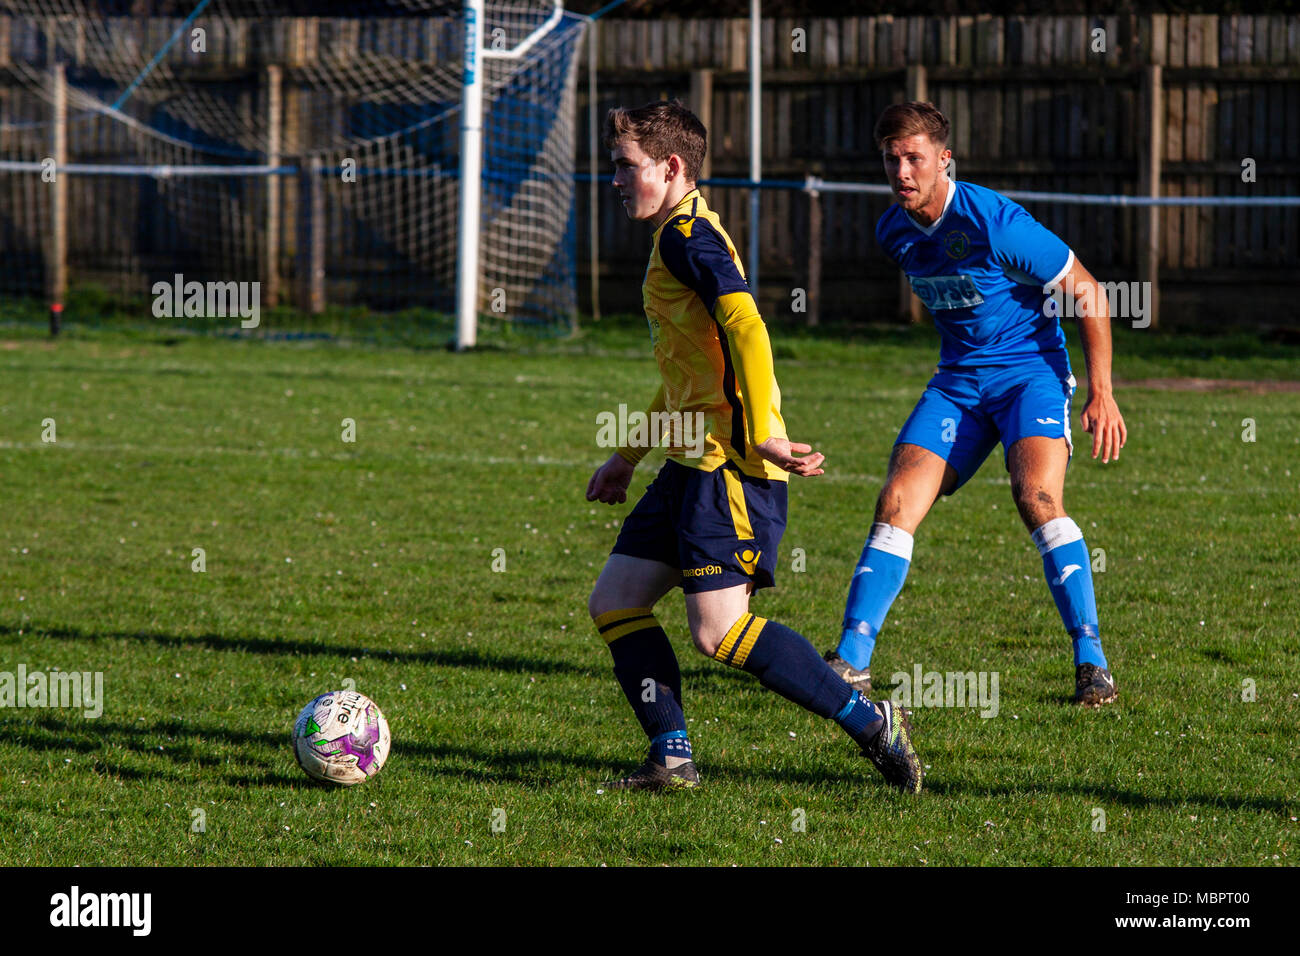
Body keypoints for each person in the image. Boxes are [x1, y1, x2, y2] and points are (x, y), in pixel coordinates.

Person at [585, 100, 921, 793]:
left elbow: (748, 325)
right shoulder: (675, 236)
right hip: (687, 465)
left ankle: (871, 722)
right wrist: (626, 457)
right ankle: (672, 757)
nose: (614, 179)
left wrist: (765, 431)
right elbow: (687, 377)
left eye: (625, 166)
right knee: (616, 601)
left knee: (719, 633)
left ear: (671, 167)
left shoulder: (689, 239)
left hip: (728, 470)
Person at [824, 101, 1128, 707]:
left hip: (1029, 377)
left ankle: (1090, 660)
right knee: (896, 498)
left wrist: (1103, 392)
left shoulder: (995, 221)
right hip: (958, 382)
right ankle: (850, 661)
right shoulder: (894, 231)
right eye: (891, 159)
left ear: (944, 160)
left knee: (1037, 499)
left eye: (914, 158)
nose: (902, 171)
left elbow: (1089, 292)